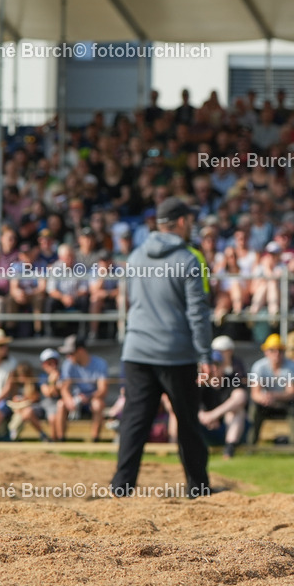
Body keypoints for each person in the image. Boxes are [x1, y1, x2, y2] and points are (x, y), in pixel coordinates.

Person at [111, 197, 213, 499]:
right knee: (187, 423)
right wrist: (205, 354)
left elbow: (132, 301)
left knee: (134, 422)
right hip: (175, 352)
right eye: (189, 220)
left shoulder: (137, 256)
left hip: (137, 349)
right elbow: (198, 312)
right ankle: (198, 488)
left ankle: (121, 487)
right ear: (181, 222)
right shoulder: (189, 260)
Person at [195, 343, 248, 458]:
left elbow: (241, 397)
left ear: (223, 366)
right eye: (211, 364)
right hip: (205, 427)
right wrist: (204, 416)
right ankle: (177, 447)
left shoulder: (232, 379)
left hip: (228, 428)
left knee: (236, 411)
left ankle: (229, 449)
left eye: (217, 364)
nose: (213, 368)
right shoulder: (200, 383)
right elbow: (189, 405)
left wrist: (214, 415)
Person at [247, 333, 294, 445]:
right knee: (254, 409)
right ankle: (250, 444)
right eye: (272, 350)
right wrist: (265, 399)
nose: (276, 354)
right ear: (266, 352)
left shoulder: (291, 366)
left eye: (280, 350)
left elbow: (291, 393)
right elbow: (255, 394)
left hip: (285, 403)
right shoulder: (259, 367)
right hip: (265, 403)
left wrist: (273, 396)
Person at [54, 335, 108, 442]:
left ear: (81, 350)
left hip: (91, 400)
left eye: (70, 353)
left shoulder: (100, 363)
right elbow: (65, 388)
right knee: (61, 404)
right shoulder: (68, 364)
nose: (68, 356)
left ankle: (95, 440)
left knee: (98, 404)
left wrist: (88, 397)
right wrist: (70, 400)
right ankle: (60, 441)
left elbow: (103, 390)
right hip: (74, 400)